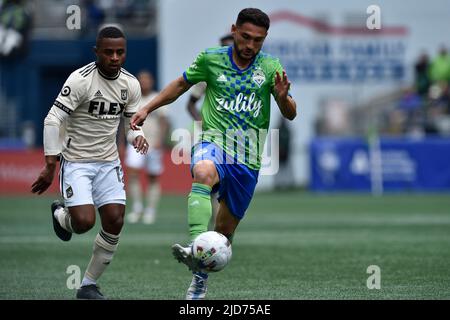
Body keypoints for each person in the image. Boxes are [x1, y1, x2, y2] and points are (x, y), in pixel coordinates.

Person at [131, 8, 297, 300]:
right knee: (204, 171)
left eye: (258, 40)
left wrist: (283, 98)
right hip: (214, 141)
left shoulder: (270, 67)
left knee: (224, 232)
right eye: (245, 37)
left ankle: (200, 278)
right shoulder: (211, 59)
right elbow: (181, 85)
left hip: (248, 159)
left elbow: (291, 113)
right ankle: (196, 245)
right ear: (234, 30)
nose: (250, 45)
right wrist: (147, 108)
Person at [31, 26, 148, 300]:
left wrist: (137, 136)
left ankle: (88, 285)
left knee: (115, 220)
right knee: (83, 222)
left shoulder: (130, 84)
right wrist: (50, 165)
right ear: (97, 52)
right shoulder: (81, 80)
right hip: (77, 162)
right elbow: (52, 119)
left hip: (109, 162)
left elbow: (131, 125)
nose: (115, 57)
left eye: (120, 52)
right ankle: (61, 215)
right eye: (108, 52)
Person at [186, 33, 234, 230]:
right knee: (210, 183)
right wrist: (202, 121)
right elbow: (190, 104)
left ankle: (221, 227)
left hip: (237, 137)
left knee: (230, 186)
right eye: (224, 46)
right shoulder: (211, 73)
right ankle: (209, 231)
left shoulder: (247, 76)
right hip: (211, 135)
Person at [126, 70, 169, 224]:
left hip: (153, 144)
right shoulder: (132, 100)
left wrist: (161, 140)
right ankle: (137, 208)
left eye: (147, 80)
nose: (144, 83)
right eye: (141, 80)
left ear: (151, 81)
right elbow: (123, 121)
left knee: (153, 178)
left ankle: (150, 211)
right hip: (135, 142)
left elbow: (165, 121)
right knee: (132, 174)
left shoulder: (157, 98)